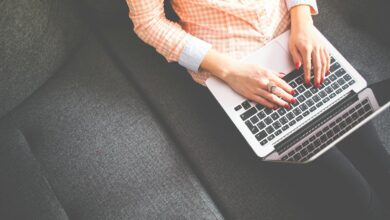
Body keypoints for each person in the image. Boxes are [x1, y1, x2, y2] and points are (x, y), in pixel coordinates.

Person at [126, 0, 390, 219]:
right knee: (352, 193)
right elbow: (149, 23)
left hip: (295, 42)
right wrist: (231, 71)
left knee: (374, 157)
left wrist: (303, 21)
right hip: (234, 73)